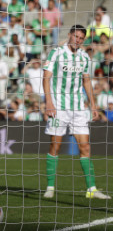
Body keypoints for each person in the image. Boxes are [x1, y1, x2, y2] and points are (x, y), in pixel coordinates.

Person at [42, 25, 111, 200]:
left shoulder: (85, 57)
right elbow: (46, 77)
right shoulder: (56, 52)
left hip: (79, 107)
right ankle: (50, 187)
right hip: (58, 106)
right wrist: (48, 102)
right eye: (75, 36)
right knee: (55, 145)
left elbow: (86, 81)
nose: (78, 40)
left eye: (81, 38)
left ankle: (92, 189)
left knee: (85, 146)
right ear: (69, 35)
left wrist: (93, 105)